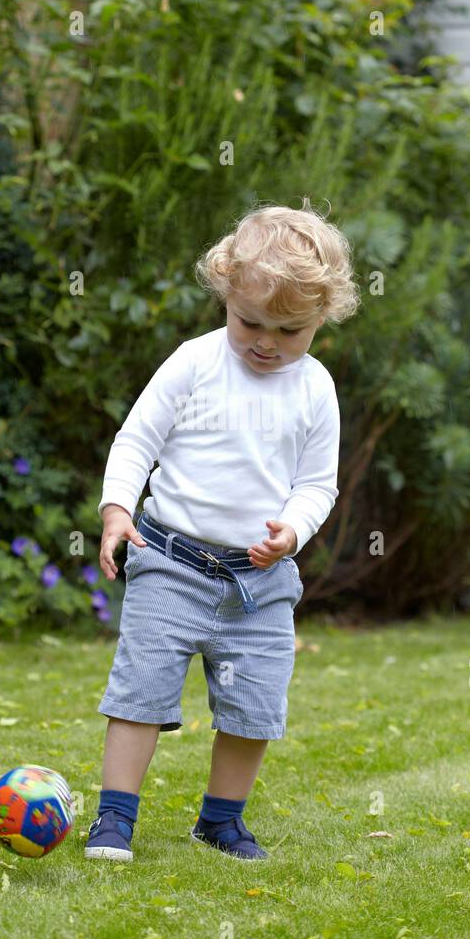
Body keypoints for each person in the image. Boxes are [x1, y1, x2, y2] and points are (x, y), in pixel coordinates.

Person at [86, 200, 360, 862]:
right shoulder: (195, 363)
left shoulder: (315, 391)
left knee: (254, 707)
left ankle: (220, 819)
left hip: (259, 582)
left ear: (323, 316)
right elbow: (136, 441)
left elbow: (316, 485)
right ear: (225, 289)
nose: (266, 342)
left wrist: (291, 534)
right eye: (250, 322)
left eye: (290, 330)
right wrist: (118, 509)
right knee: (141, 691)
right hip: (169, 560)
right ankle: (115, 818)